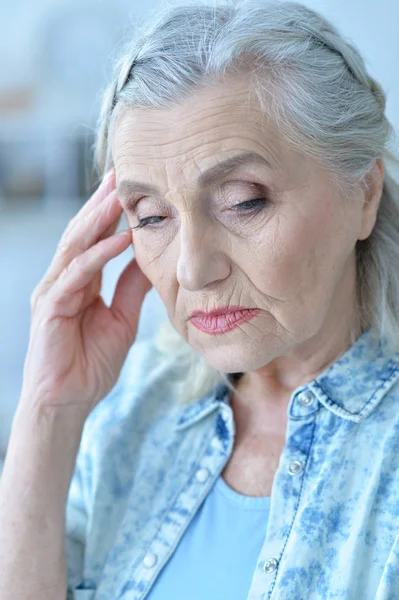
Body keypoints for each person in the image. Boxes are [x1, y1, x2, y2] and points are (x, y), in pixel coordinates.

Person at [1, 0, 399, 598]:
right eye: (152, 216)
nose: (192, 269)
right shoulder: (131, 411)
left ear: (363, 193)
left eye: (243, 201)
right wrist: (48, 411)